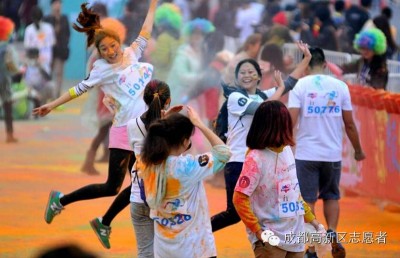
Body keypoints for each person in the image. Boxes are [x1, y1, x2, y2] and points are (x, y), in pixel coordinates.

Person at [33, 0, 159, 250]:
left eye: (113, 46)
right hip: (124, 132)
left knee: (140, 185)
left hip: (143, 132)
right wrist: (52, 104)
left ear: (119, 43)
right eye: (104, 49)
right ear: (98, 53)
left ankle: (104, 221)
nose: (111, 51)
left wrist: (153, 4)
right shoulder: (101, 69)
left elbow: (145, 30)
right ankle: (61, 200)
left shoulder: (132, 53)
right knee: (113, 186)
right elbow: (77, 89)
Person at [211, 41, 312, 232]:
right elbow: (264, 109)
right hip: (238, 162)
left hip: (257, 162)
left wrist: (306, 59)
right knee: (234, 214)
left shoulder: (261, 95)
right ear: (237, 78)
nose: (247, 75)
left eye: (251, 72)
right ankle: (198, 232)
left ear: (259, 76)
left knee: (265, 208)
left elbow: (289, 83)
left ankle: (271, 245)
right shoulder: (235, 98)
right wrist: (280, 89)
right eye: (242, 72)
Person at [288, 47, 366, 258]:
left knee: (308, 199)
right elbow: (349, 124)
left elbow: (291, 119)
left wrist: (285, 145)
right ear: (324, 65)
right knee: (332, 196)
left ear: (306, 67)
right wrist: (358, 150)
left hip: (306, 154)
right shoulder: (340, 86)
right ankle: (332, 231)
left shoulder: (300, 85)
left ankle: (312, 249)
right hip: (332, 154)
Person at [233, 100, 322, 258]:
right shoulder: (255, 158)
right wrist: (259, 232)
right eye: (286, 122)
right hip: (270, 238)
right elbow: (239, 198)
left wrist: (313, 221)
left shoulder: (287, 151)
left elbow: (294, 193)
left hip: (295, 236)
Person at [138, 107, 231, 258]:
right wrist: (199, 124)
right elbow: (224, 153)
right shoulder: (187, 166)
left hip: (163, 249)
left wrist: (165, 122)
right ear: (184, 141)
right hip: (194, 249)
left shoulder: (146, 164)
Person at [126, 79, 182, 258]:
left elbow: (134, 158)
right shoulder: (172, 126)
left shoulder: (132, 125)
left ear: (145, 99)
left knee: (145, 253)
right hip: (166, 196)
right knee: (170, 252)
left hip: (139, 195)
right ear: (168, 100)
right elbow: (182, 150)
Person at [43, 0, 70, 98]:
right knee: (47, 74)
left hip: (60, 51)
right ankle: (48, 95)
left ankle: (56, 96)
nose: (58, 5)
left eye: (60, 3)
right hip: (49, 51)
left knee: (59, 74)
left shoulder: (64, 18)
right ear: (52, 5)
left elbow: (67, 34)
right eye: (56, 3)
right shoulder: (47, 19)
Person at [150, 2, 183, 82]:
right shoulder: (180, 38)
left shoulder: (163, 38)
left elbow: (161, 61)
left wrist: (151, 55)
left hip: (162, 78)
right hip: (175, 79)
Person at [0, 16, 20, 143]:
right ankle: (9, 134)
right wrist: (16, 71)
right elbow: (9, 62)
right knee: (7, 105)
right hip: (4, 79)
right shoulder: (6, 47)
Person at [23, 5, 55, 78]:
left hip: (40, 60)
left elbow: (26, 45)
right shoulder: (48, 27)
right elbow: (53, 42)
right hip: (37, 60)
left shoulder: (29, 29)